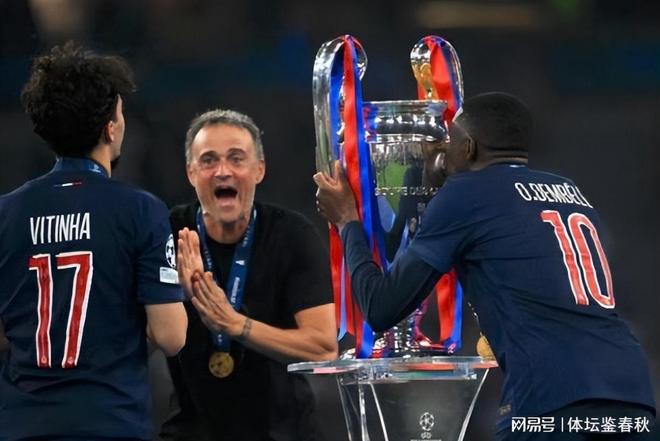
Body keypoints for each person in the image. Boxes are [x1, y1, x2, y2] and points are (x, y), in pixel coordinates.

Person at [314, 92, 656, 441]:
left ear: (469, 148)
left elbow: (381, 307)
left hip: (551, 397)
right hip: (633, 393)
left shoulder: (467, 194)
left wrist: (347, 222)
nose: (443, 151)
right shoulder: (568, 190)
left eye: (451, 142)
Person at [0, 42, 188, 441]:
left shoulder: (6, 212)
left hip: (21, 424)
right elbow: (171, 337)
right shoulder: (141, 210)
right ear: (110, 127)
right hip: (110, 421)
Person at [160, 109, 337, 441]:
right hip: (192, 431)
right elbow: (134, 339)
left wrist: (236, 325)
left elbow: (324, 347)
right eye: (208, 160)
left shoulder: (292, 235)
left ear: (259, 169)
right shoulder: (167, 233)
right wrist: (173, 297)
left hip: (284, 432)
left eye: (236, 158)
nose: (222, 171)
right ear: (191, 172)